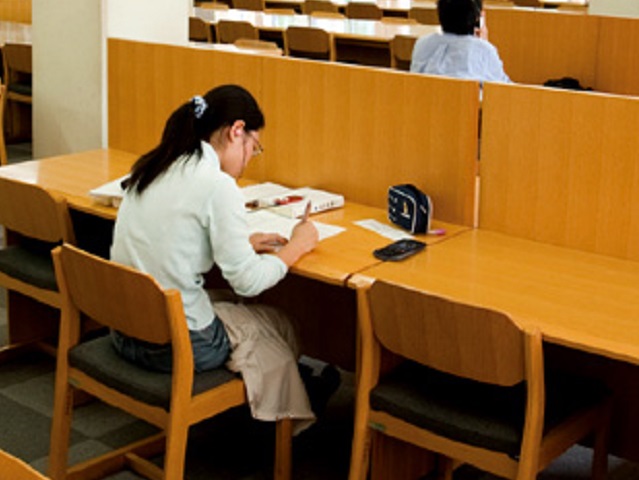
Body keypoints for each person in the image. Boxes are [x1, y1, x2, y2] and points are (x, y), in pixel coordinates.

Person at [110, 84, 323, 432]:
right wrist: (297, 245)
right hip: (174, 348)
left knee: (227, 303)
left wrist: (241, 241)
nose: (250, 157)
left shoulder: (156, 164)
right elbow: (248, 282)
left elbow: (174, 237)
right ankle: (282, 421)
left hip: (125, 330)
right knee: (280, 322)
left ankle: (276, 399)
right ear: (236, 131)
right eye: (254, 147)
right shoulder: (217, 184)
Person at [410, 0, 510, 83]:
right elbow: (505, 90)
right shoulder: (485, 51)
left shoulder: (422, 44)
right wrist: (483, 45)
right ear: (478, 18)